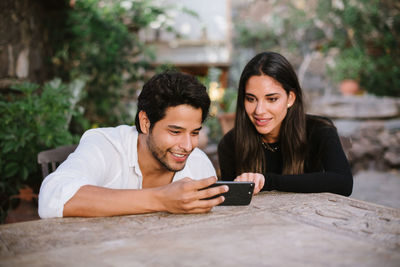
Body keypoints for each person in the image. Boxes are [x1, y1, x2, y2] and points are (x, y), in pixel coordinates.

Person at [39, 71, 228, 218]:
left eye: (195, 132)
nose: (188, 146)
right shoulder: (105, 146)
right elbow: (52, 197)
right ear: (145, 122)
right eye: (175, 132)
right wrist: (161, 199)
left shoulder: (198, 163)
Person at [218, 52, 353, 196]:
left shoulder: (319, 130)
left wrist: (267, 181)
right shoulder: (230, 144)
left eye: (272, 99)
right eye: (251, 99)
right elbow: (231, 202)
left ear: (290, 98)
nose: (259, 110)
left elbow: (343, 183)